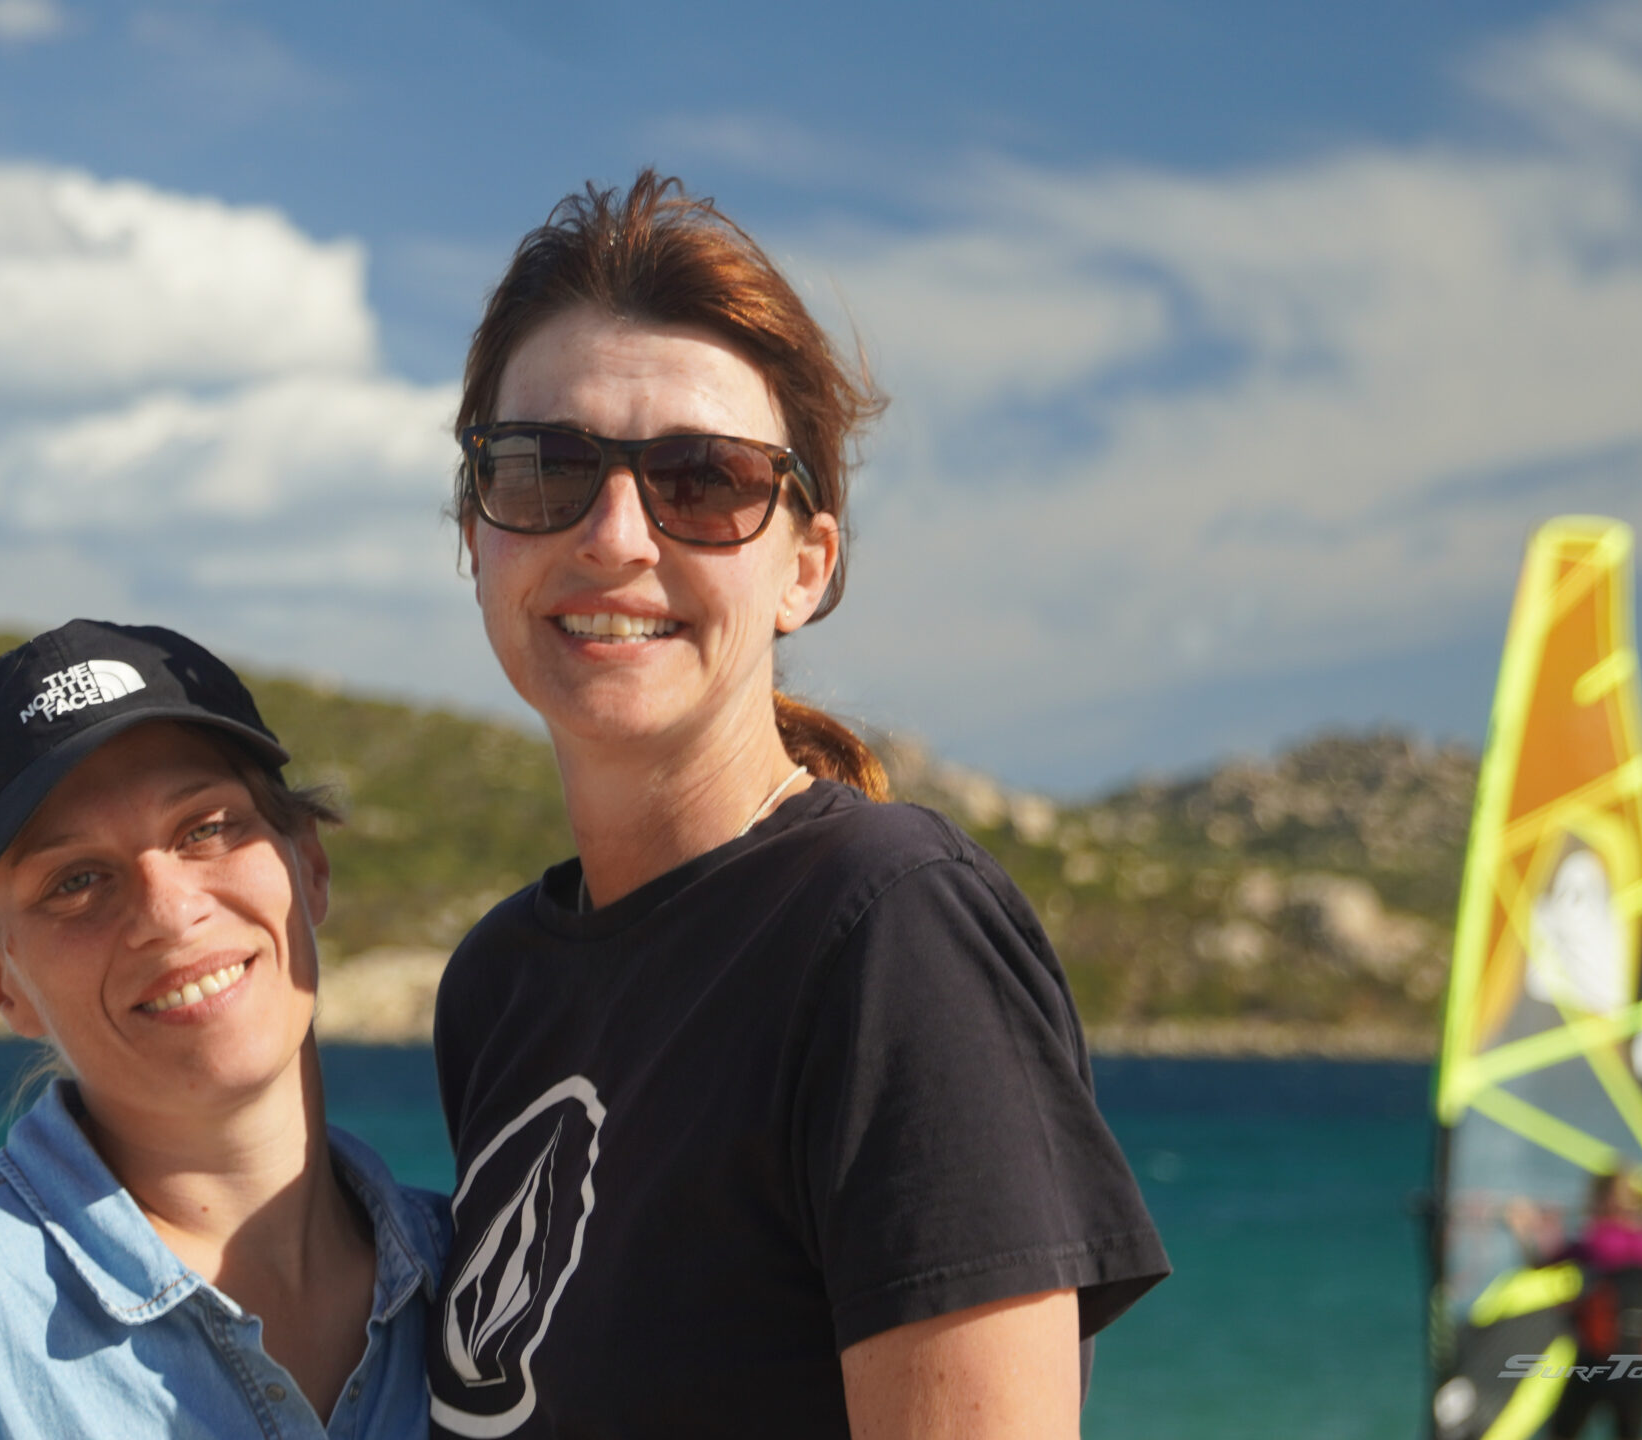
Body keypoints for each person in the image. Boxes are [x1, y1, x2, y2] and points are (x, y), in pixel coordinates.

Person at [426, 173, 1170, 1439]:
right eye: (544, 468)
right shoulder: (499, 987)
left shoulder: (888, 931)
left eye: (702, 481)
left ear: (805, 567)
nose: (614, 535)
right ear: (474, 532)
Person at [0, 620, 446, 1440]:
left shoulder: (489, 1285)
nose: (167, 913)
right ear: (4, 982)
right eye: (76, 880)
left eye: (205, 828)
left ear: (309, 867)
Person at [1511, 1171, 1642, 1440]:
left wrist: (1529, 1230)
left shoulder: (1598, 1240)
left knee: (1562, 1433)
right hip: (1637, 1365)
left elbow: (1543, 1263)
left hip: (1596, 1362)